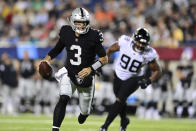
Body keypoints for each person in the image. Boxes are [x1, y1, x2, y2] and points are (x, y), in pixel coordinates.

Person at [38, 8, 108, 131]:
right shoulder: (66, 32)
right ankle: (55, 129)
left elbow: (104, 58)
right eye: (78, 22)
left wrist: (91, 69)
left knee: (84, 113)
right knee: (63, 98)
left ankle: (84, 114)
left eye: (83, 22)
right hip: (69, 72)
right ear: (72, 21)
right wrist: (46, 59)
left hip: (86, 77)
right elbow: (57, 48)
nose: (81, 25)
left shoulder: (93, 35)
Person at [99, 28, 162, 131]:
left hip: (134, 77)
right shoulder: (125, 42)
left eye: (144, 43)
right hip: (118, 74)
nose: (141, 45)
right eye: (139, 42)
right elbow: (110, 50)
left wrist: (149, 80)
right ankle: (124, 121)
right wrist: (101, 64)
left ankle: (105, 126)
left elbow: (158, 70)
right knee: (120, 100)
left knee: (119, 99)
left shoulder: (148, 53)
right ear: (134, 39)